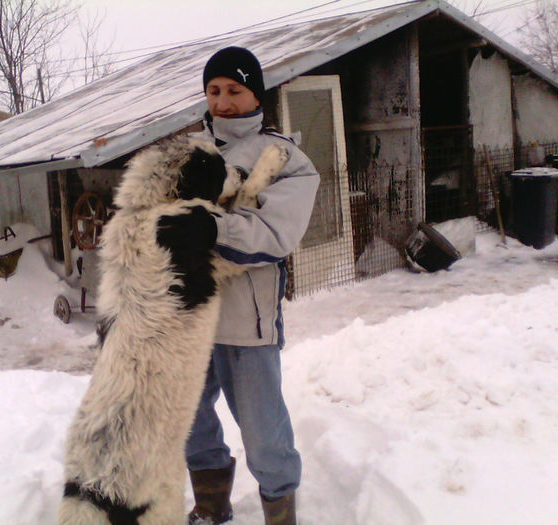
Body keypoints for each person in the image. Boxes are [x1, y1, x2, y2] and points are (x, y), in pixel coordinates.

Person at [184, 46, 320, 525]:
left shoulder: (285, 159)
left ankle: (280, 511)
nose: (222, 102)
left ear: (255, 94)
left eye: (234, 90)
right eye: (214, 91)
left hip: (247, 318)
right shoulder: (186, 154)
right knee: (184, 418)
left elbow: (276, 236)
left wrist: (212, 229)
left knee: (263, 432)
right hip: (187, 315)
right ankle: (210, 505)